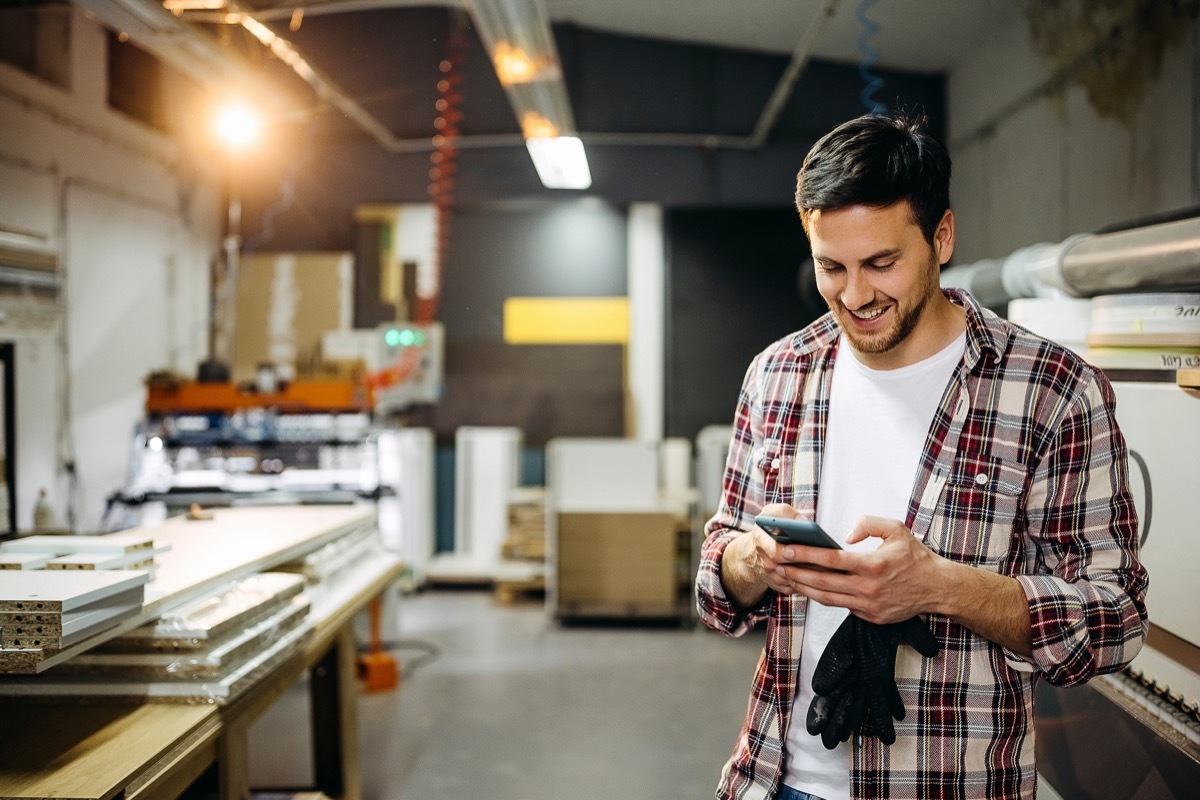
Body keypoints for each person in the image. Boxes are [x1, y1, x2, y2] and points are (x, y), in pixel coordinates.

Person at [695, 109, 1148, 800]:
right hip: (778, 780)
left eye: (881, 263)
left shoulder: (1052, 391)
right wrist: (748, 560)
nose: (855, 295)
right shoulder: (778, 374)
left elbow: (1114, 617)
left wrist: (941, 587)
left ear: (942, 236)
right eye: (831, 267)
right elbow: (717, 590)